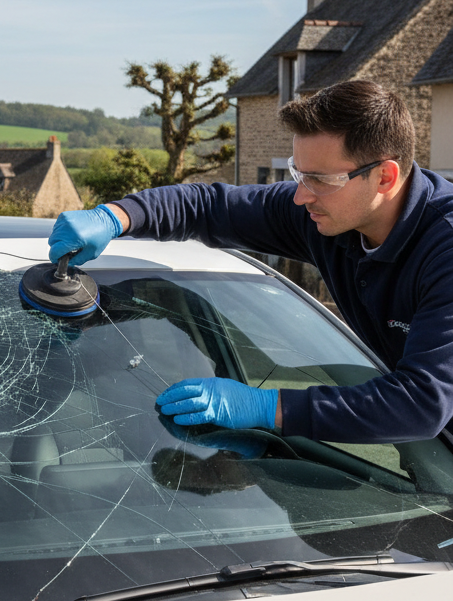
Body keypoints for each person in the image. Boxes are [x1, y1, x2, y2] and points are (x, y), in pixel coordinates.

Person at [47, 80, 453, 445]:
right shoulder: (326, 213)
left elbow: (421, 403)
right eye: (299, 174)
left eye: (321, 180)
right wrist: (116, 216)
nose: (301, 196)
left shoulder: (445, 248)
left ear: (384, 177)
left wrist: (268, 407)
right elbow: (208, 208)